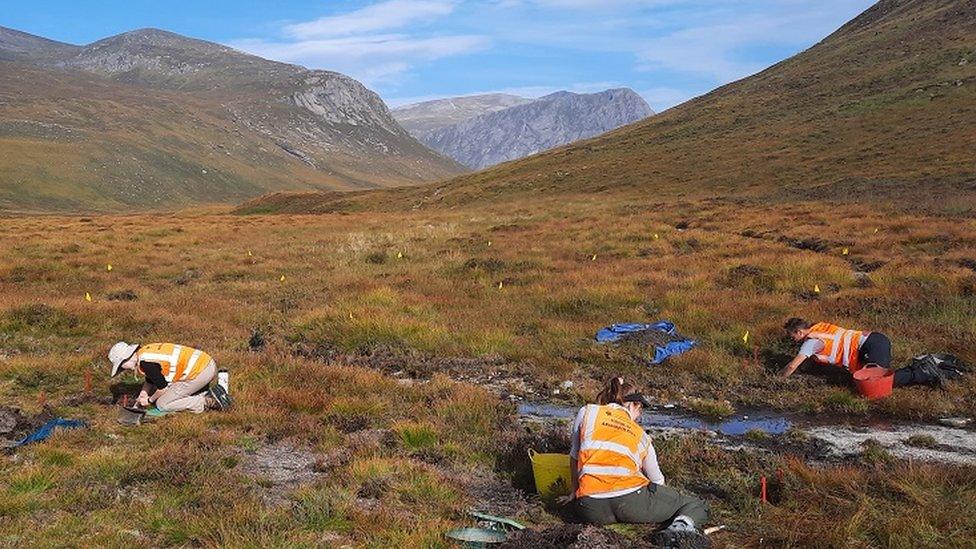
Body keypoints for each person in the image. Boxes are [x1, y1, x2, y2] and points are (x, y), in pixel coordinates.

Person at [569, 377, 709, 542]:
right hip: (629, 503)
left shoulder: (587, 412)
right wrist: (661, 498)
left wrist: (573, 492)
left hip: (589, 507)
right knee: (696, 505)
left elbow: (574, 456)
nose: (639, 415)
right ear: (632, 405)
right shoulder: (640, 435)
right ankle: (679, 529)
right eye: (640, 408)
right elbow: (657, 481)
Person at [778, 318, 948, 387]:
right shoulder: (821, 327)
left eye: (791, 335)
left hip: (871, 346)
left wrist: (778, 379)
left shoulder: (810, 344)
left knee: (876, 384)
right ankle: (924, 367)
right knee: (870, 379)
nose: (790, 338)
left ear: (799, 332)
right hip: (874, 341)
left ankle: (923, 370)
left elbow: (793, 365)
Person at [108, 341, 231, 413]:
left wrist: (150, 400)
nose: (123, 369)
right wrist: (144, 393)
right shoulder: (145, 352)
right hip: (205, 363)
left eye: (121, 366)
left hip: (201, 372)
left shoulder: (146, 363)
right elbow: (152, 378)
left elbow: (162, 388)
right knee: (169, 394)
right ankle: (203, 392)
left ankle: (207, 401)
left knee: (163, 404)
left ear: (126, 357)